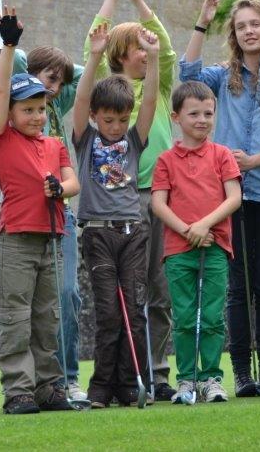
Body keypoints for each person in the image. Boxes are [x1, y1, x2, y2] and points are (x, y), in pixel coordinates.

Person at [180, 0, 260, 397]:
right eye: (242, 25)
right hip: (228, 197)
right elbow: (187, 77)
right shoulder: (221, 76)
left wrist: (258, 160)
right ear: (234, 33)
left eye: (255, 24)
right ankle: (242, 373)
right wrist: (202, 21)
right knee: (236, 287)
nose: (249, 31)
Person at [85, 0, 178, 401]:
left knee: (158, 292)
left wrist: (139, 1)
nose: (147, 49)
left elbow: (169, 53)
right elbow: (95, 42)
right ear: (122, 54)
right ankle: (123, 375)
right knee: (123, 298)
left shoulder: (157, 91)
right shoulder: (112, 98)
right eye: (139, 47)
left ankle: (156, 371)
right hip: (120, 206)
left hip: (159, 197)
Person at [0, 8, 81, 414]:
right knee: (16, 317)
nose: (36, 116)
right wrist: (9, 47)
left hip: (52, 238)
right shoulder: (2, 138)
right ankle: (18, 391)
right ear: (11, 114)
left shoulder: (53, 144)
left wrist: (60, 189)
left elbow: (72, 181)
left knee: (48, 318)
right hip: (17, 240)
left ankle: (49, 386)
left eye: (41, 109)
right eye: (27, 109)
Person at [72, 22, 159, 407]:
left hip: (133, 232)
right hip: (98, 233)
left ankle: (131, 384)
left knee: (135, 311)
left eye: (121, 120)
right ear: (95, 117)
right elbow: (79, 101)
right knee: (109, 313)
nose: (115, 127)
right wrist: (94, 55)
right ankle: (100, 388)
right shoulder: (86, 138)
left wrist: (154, 60)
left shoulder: (133, 141)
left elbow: (152, 103)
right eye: (108, 120)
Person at [152, 81, 243, 404]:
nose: (202, 120)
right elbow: (159, 204)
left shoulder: (221, 155)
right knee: (186, 317)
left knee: (214, 315)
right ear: (176, 117)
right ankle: (187, 379)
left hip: (215, 246)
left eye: (208, 113)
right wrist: (188, 230)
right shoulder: (166, 160)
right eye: (194, 114)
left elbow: (234, 197)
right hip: (179, 251)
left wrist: (204, 225)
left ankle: (211, 378)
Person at [13, 39, 86, 402]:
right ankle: (30, 385)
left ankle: (67, 378)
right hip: (24, 221)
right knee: (26, 308)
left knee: (67, 295)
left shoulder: (57, 106)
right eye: (49, 79)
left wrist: (65, 70)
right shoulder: (15, 108)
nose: (54, 88)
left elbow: (88, 72)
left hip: (63, 216)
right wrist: (15, 47)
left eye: (60, 82)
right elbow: (14, 62)